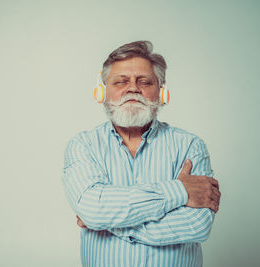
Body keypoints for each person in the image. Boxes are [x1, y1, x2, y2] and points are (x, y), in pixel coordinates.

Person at [62, 41, 221, 267]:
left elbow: (198, 225)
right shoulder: (82, 145)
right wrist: (179, 190)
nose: (133, 89)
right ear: (102, 91)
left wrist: (108, 223)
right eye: (121, 81)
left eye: (144, 81)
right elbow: (92, 209)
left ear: (161, 91)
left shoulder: (190, 146)